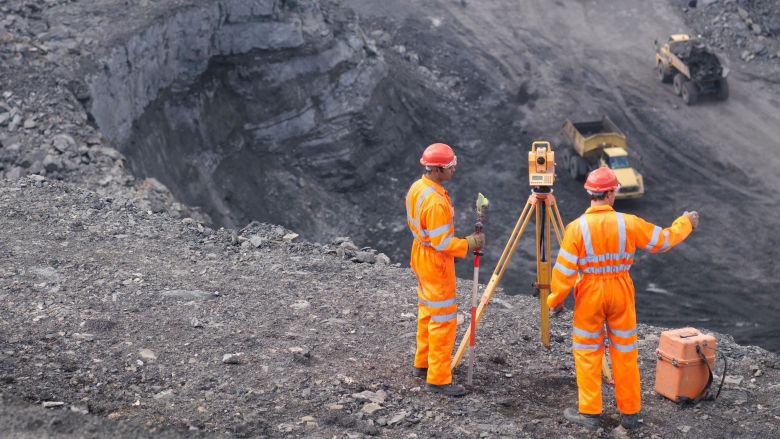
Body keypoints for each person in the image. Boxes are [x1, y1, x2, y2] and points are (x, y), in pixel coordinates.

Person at [548, 167, 699, 430]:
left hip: (589, 295)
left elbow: (564, 271)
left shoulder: (576, 229)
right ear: (610, 194)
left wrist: (556, 301)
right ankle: (630, 415)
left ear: (590, 194)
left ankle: (590, 415)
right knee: (625, 354)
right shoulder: (628, 222)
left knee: (586, 354)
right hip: (620, 291)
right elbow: (662, 240)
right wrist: (685, 222)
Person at [405, 142, 485, 397]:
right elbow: (441, 242)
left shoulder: (418, 188)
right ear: (437, 169)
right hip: (435, 262)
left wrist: (454, 248)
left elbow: (431, 236)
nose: (454, 169)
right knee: (443, 319)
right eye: (450, 166)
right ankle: (438, 379)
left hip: (421, 253)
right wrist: (467, 244)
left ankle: (423, 363)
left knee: (427, 311)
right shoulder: (436, 201)